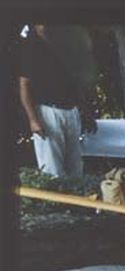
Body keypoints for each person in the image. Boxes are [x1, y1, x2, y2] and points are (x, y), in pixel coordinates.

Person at [18, 24, 97, 178]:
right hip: (48, 111)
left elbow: (76, 81)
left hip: (71, 110)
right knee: (52, 171)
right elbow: (24, 85)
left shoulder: (64, 43)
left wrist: (85, 110)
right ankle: (55, 202)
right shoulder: (30, 46)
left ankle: (73, 201)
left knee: (76, 169)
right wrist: (33, 120)